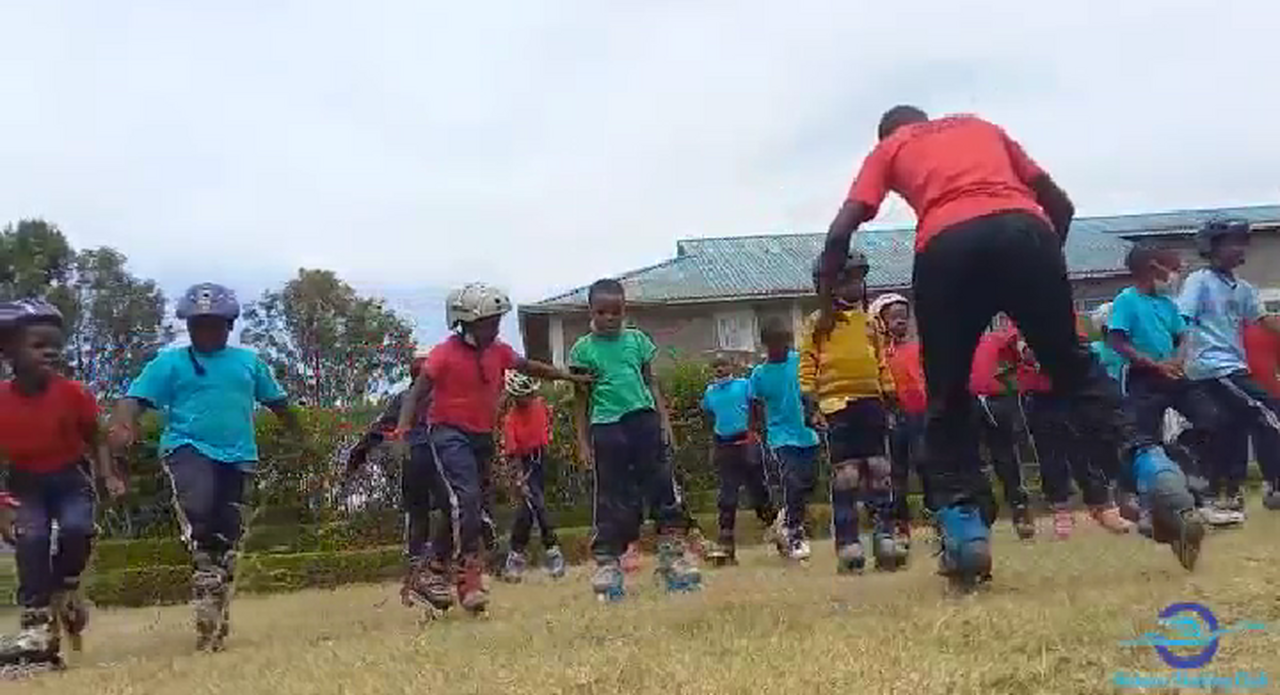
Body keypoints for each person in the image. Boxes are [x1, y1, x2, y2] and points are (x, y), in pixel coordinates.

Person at [820, 106, 1204, 588]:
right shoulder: (980, 126)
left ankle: (965, 534)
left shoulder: (892, 146)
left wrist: (827, 294)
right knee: (1076, 370)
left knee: (946, 394)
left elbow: (842, 229)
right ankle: (1153, 468)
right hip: (1028, 233)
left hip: (947, 246)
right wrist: (1043, 271)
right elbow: (1060, 204)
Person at [108, 283, 301, 652]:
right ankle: (206, 572)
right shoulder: (170, 363)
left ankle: (214, 598)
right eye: (197, 324)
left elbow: (279, 403)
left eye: (214, 324)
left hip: (239, 456)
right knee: (200, 504)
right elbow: (133, 399)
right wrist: (124, 424)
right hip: (187, 448)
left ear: (229, 325)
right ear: (188, 326)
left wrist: (297, 434)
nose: (206, 331)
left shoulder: (248, 363)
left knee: (229, 531)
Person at [394, 283, 588, 614]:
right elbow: (416, 393)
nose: (496, 328)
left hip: (481, 437)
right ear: (465, 322)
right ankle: (467, 576)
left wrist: (568, 377)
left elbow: (528, 367)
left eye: (498, 321)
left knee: (469, 507)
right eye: (489, 322)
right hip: (448, 434)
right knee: (466, 499)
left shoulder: (498, 350)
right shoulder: (444, 353)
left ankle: (431, 571)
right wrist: (402, 431)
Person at [0, 299, 125, 664]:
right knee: (31, 539)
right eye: (38, 345)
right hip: (25, 483)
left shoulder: (74, 394)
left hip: (70, 477)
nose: (50, 352)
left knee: (77, 528)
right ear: (8, 350)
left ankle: (67, 587)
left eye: (55, 345)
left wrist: (107, 475)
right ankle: (36, 623)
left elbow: (96, 437)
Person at [570, 279, 700, 602]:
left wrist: (664, 422)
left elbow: (651, 383)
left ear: (624, 310)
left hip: (643, 420)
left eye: (616, 312)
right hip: (607, 427)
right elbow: (580, 401)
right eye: (602, 312)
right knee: (612, 496)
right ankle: (608, 563)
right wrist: (582, 441)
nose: (609, 318)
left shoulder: (637, 341)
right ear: (591, 311)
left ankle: (673, 557)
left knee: (662, 486)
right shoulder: (582, 350)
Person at [799, 253, 900, 573]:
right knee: (847, 474)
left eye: (859, 279)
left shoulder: (871, 323)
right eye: (846, 280)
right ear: (828, 285)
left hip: (871, 402)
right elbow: (807, 362)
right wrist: (809, 399)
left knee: (879, 469)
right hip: (837, 405)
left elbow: (880, 361)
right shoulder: (818, 323)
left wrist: (890, 394)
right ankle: (848, 542)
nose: (854, 286)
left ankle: (885, 535)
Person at [1176, 219, 1280, 519]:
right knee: (1267, 409)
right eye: (1230, 243)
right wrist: (1178, 357)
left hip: (1232, 365)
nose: (1238, 249)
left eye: (1241, 243)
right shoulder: (1199, 281)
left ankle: (1228, 494)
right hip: (1211, 366)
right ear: (1211, 247)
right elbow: (1183, 319)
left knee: (1232, 427)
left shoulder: (1243, 288)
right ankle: (1276, 483)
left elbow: (1263, 320)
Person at [344, 349, 440, 605]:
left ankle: (417, 576)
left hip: (415, 460)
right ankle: (436, 573)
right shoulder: (440, 397)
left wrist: (357, 456)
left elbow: (378, 430)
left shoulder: (403, 399)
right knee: (447, 514)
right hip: (439, 460)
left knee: (418, 518)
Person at [1017, 332, 1133, 538]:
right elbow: (1021, 352)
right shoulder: (1016, 330)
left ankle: (1101, 505)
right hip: (1042, 392)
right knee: (1050, 454)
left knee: (1086, 448)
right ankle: (1061, 510)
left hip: (1074, 387)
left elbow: (1079, 345)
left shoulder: (1066, 326)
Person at [750, 317, 821, 563]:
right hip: (780, 436)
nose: (781, 346)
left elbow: (813, 389)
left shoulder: (799, 362)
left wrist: (816, 412)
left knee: (808, 483)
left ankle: (782, 522)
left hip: (807, 433)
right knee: (791, 481)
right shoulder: (759, 374)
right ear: (766, 344)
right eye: (775, 342)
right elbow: (755, 405)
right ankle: (794, 532)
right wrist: (759, 433)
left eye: (784, 341)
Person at [700, 355, 778, 566]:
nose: (720, 369)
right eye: (716, 366)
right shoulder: (710, 393)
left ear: (731, 366)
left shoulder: (744, 385)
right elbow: (709, 417)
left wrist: (755, 432)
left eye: (723, 365)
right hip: (725, 446)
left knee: (759, 492)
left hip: (746, 441)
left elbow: (756, 408)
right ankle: (726, 545)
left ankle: (780, 530)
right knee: (727, 496)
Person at [968, 324, 1035, 540]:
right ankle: (982, 511)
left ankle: (1019, 507)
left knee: (1005, 457)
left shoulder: (1001, 335)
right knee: (970, 460)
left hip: (999, 399)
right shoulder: (954, 337)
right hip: (966, 401)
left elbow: (1022, 347)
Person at [498, 370, 566, 582]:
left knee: (531, 510)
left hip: (541, 459)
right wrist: (519, 477)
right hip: (524, 465)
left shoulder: (541, 405)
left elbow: (548, 424)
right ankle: (551, 552)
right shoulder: (510, 420)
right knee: (534, 507)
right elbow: (512, 453)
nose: (528, 398)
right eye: (524, 396)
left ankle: (516, 558)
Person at [875, 292, 931, 547]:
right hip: (894, 417)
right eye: (893, 317)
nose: (900, 322)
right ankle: (900, 524)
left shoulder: (918, 348)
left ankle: (937, 516)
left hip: (921, 415)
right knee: (896, 473)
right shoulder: (880, 354)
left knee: (926, 464)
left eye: (904, 317)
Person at [1243, 315, 1280, 510]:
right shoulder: (1233, 329)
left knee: (1270, 437)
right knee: (1264, 439)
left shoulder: (1273, 327)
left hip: (1272, 392)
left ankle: (1275, 484)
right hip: (1242, 391)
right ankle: (1273, 483)